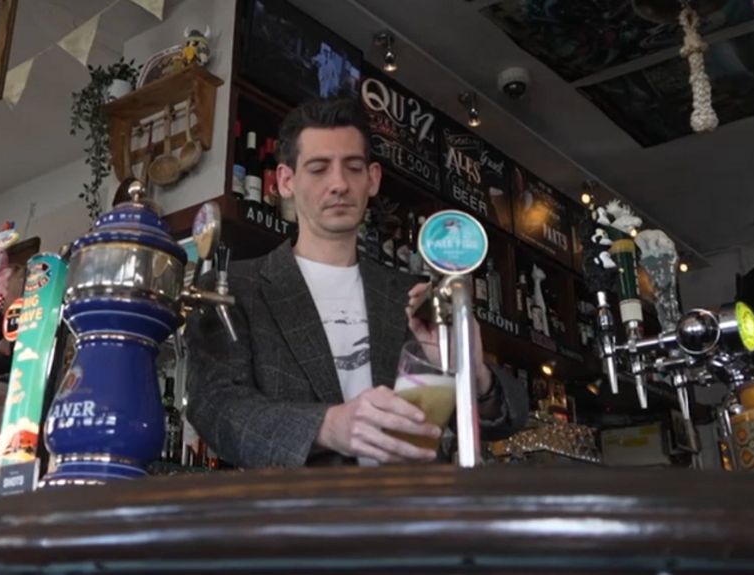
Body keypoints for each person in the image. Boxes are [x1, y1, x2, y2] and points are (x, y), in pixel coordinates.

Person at [185, 98, 527, 468]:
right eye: (318, 169)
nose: (339, 184)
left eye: (353, 167)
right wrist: (329, 425)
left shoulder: (411, 297)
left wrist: (471, 372)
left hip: (405, 515)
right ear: (286, 181)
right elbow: (215, 405)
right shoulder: (235, 287)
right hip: (292, 517)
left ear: (373, 179)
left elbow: (503, 421)